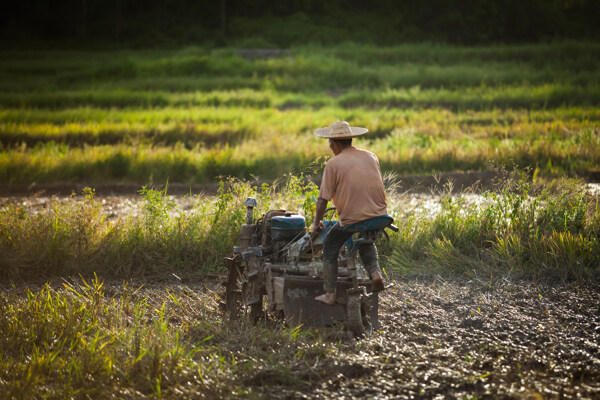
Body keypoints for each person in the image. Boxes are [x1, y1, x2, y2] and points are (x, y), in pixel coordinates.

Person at [312, 121, 388, 306]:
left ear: (334, 143)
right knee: (365, 240)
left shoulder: (334, 163)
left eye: (330, 142)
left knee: (330, 245)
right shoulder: (371, 156)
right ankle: (376, 274)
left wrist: (316, 223)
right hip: (380, 216)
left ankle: (330, 294)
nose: (329, 146)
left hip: (353, 219)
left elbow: (323, 199)